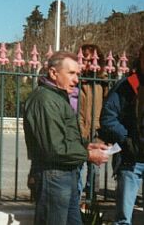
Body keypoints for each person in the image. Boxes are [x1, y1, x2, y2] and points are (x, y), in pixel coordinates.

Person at [23, 51, 109, 225]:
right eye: (71, 73)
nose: (77, 79)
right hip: (53, 177)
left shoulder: (57, 98)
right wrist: (87, 155)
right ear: (54, 73)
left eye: (77, 74)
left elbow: (64, 137)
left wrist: (87, 146)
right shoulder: (45, 100)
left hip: (65, 175)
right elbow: (54, 148)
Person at [99, 45, 144, 224]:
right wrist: (126, 139)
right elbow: (108, 117)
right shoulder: (127, 86)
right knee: (123, 218)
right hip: (131, 160)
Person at [79, 44, 108, 200]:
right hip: (80, 129)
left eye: (92, 60)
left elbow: (108, 106)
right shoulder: (77, 80)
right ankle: (76, 201)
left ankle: (92, 201)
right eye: (85, 60)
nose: (89, 64)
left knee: (94, 169)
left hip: (97, 130)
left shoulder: (103, 82)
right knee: (78, 168)